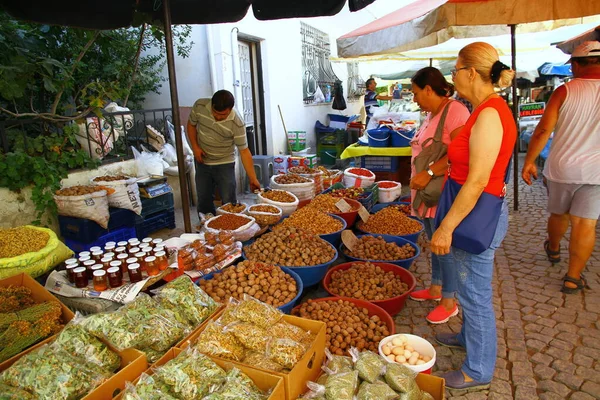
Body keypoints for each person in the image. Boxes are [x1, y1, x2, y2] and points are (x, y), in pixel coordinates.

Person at [431, 42, 516, 390]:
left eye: (454, 70)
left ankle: (478, 371)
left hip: (474, 215)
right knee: (469, 287)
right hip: (475, 209)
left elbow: (479, 179)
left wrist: (446, 226)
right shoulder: (485, 110)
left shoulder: (490, 113)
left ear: (469, 72)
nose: (453, 77)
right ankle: (468, 338)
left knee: (475, 294)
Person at [521, 40, 600, 294]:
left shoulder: (565, 91)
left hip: (562, 168)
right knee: (585, 224)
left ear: (576, 64)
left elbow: (544, 129)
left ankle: (553, 248)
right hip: (596, 172)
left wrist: (530, 160)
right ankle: (572, 277)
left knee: (559, 214)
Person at [408, 67, 470, 324]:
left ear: (429, 90)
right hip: (426, 192)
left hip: (441, 191)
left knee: (445, 246)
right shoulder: (432, 113)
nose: (414, 99)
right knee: (433, 241)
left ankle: (449, 300)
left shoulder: (455, 111)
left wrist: (430, 171)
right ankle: (435, 288)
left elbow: (462, 151)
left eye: (415, 93)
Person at [187, 90, 261, 216]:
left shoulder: (237, 123)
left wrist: (253, 179)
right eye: (215, 113)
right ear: (211, 105)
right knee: (203, 199)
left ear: (230, 109)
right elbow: (191, 125)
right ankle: (207, 227)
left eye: (223, 115)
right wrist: (195, 148)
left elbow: (244, 151)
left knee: (229, 201)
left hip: (225, 162)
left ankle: (230, 229)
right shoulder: (200, 106)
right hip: (202, 160)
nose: (218, 117)